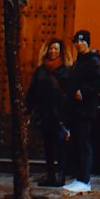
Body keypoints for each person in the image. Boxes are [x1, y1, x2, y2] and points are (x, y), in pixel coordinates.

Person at [62, 30, 100, 194]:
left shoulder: (93, 61)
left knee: (84, 144)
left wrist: (85, 92)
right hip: (75, 110)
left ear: (88, 43)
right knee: (77, 144)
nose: (79, 44)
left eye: (82, 41)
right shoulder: (78, 62)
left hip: (84, 110)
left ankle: (85, 180)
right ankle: (79, 177)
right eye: (76, 41)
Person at [24, 38, 71, 187]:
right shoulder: (40, 71)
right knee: (48, 147)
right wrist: (28, 110)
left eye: (56, 49)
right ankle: (50, 175)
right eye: (51, 48)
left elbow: (69, 93)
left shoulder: (65, 71)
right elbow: (33, 91)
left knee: (61, 147)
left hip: (60, 115)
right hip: (44, 114)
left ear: (60, 52)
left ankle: (61, 176)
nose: (53, 51)